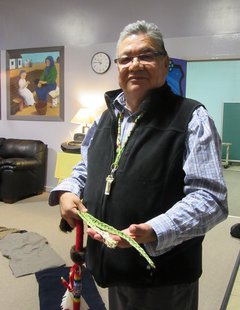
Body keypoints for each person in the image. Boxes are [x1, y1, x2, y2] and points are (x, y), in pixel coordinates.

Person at [49, 20, 228, 310]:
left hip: (163, 274)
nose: (135, 64)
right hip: (113, 265)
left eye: (146, 55)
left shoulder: (192, 119)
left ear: (165, 62)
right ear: (118, 66)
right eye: (126, 58)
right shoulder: (104, 119)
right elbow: (85, 169)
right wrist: (68, 192)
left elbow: (211, 199)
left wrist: (154, 230)